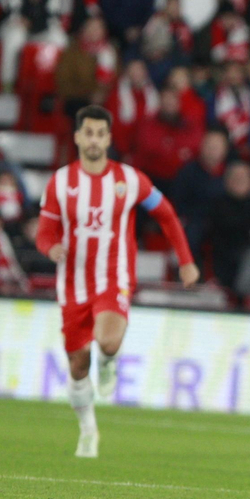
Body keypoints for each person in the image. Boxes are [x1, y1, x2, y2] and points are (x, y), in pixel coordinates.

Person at [34, 105, 200, 458]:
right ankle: (88, 430)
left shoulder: (129, 179)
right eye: (88, 133)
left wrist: (185, 262)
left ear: (108, 138)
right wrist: (51, 249)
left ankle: (109, 360)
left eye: (100, 133)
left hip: (114, 278)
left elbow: (166, 215)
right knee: (78, 366)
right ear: (78, 137)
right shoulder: (60, 183)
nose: (94, 140)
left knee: (107, 342)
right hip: (73, 285)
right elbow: (44, 232)